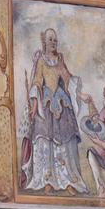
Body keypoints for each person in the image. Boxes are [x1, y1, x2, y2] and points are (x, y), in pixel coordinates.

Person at [21, 28, 88, 193]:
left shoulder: (59, 60)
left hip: (61, 102)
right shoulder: (41, 61)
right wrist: (35, 105)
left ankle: (68, 181)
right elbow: (37, 82)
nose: (53, 43)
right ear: (45, 41)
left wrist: (79, 94)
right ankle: (47, 179)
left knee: (65, 141)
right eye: (51, 40)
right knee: (45, 139)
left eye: (55, 40)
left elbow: (67, 78)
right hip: (45, 104)